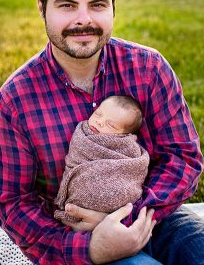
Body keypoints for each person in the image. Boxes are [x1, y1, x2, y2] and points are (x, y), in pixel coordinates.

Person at [0, 0, 204, 265]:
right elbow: (13, 203)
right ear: (42, 8)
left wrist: (130, 215)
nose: (83, 20)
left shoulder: (148, 68)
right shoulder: (16, 100)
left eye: (97, 5)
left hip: (155, 216)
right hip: (73, 242)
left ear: (113, 8)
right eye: (67, 5)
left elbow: (183, 157)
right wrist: (92, 246)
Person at [53, 95, 148, 226]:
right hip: (81, 184)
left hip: (115, 196)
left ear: (123, 134)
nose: (99, 122)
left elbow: (132, 167)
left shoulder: (125, 145)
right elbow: (74, 158)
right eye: (98, 114)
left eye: (110, 124)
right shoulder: (82, 133)